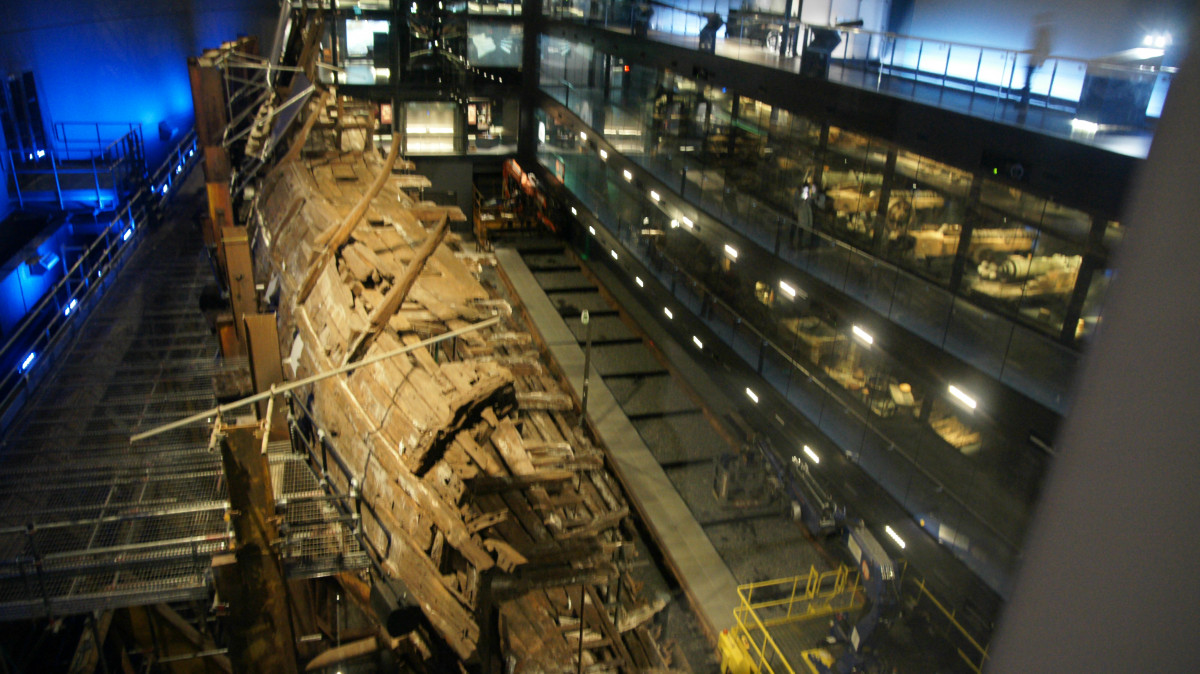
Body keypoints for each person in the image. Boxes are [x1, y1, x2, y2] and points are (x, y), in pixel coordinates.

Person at [1020, 13, 1054, 117]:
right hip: (1033, 60)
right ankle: (1024, 103)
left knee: (1027, 83)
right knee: (1027, 82)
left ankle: (1024, 104)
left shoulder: (1043, 35)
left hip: (1034, 61)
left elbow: (1045, 49)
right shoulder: (1041, 34)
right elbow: (1042, 48)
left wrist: (1041, 60)